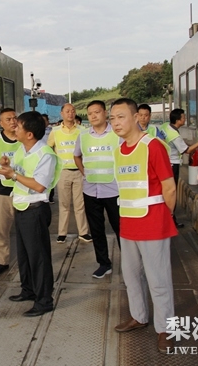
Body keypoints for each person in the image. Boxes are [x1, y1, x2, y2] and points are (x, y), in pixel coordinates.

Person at [109, 97, 176, 354]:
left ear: (137, 117)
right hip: (128, 224)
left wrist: (166, 216)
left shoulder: (153, 146)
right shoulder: (118, 151)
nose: (116, 122)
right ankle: (139, 316)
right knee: (131, 276)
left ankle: (166, 329)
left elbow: (169, 187)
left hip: (153, 223)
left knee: (158, 280)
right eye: (113, 118)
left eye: (121, 116)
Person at [0, 111, 61, 317]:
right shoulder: (23, 149)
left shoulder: (45, 154)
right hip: (21, 207)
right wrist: (7, 167)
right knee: (24, 255)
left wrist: (13, 174)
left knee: (38, 258)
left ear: (29, 134)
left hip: (35, 210)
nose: (15, 127)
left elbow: (39, 185)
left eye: (19, 126)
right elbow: (17, 173)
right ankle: (28, 290)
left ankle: (44, 300)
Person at [73, 100, 121, 279]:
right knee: (96, 229)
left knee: (121, 228)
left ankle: (130, 262)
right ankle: (104, 263)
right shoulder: (83, 136)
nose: (93, 116)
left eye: (97, 112)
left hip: (114, 190)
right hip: (91, 190)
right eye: (90, 113)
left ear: (105, 113)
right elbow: (76, 156)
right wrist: (84, 172)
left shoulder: (117, 134)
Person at [47, 103, 91, 243]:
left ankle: (83, 232)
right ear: (62, 114)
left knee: (80, 204)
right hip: (63, 173)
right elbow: (48, 149)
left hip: (79, 172)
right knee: (64, 204)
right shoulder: (55, 131)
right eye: (67, 111)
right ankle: (62, 233)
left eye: (73, 111)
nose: (70, 113)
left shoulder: (83, 130)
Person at [0, 108, 21, 276]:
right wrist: (0, 169)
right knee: (2, 229)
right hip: (3, 191)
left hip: (23, 190)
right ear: (1, 123)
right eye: (8, 119)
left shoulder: (24, 137)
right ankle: (3, 261)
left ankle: (26, 258)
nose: (13, 121)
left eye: (15, 118)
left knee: (25, 228)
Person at [160, 108, 198, 228]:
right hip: (172, 164)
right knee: (172, 192)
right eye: (183, 117)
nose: (185, 119)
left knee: (165, 192)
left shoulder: (165, 126)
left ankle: (165, 218)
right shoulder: (175, 135)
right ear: (178, 120)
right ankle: (171, 220)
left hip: (164, 162)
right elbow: (187, 151)